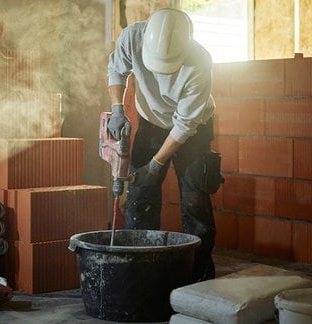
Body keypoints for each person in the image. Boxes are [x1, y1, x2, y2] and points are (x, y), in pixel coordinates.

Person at [106, 8, 222, 282]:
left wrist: (156, 165)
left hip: (193, 130)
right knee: (140, 193)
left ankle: (199, 274)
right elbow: (116, 69)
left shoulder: (200, 62)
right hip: (150, 123)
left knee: (195, 199)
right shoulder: (132, 36)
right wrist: (117, 108)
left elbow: (184, 124)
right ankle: (143, 268)